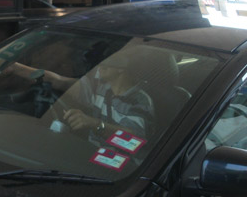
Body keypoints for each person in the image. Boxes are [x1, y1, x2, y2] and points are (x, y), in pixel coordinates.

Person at [10, 50, 154, 141]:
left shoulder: (140, 100)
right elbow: (57, 81)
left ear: (123, 69)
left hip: (122, 167)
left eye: (108, 61)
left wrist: (94, 123)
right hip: (90, 156)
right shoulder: (100, 89)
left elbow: (134, 139)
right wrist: (14, 68)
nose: (100, 66)